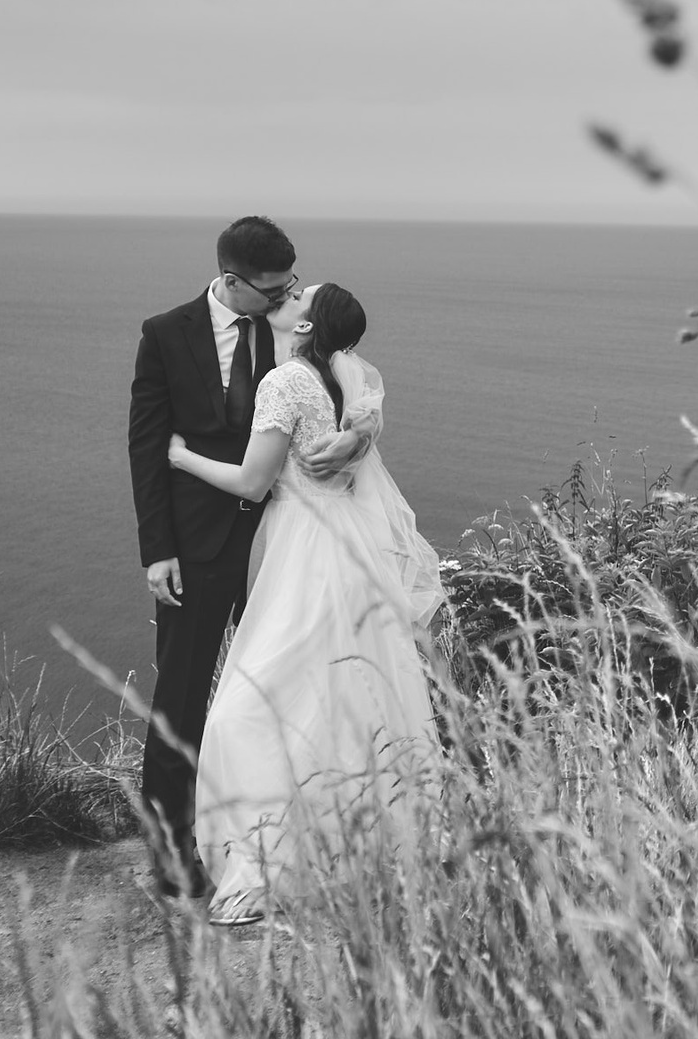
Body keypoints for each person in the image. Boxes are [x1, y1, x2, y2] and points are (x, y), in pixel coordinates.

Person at [166, 282, 442, 926]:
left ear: (308, 325)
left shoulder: (286, 380)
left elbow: (252, 482)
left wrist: (181, 457)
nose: (287, 297)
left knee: (250, 707)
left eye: (299, 297)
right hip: (350, 549)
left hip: (306, 552)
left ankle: (269, 867)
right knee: (342, 699)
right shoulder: (344, 383)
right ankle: (360, 846)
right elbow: (364, 426)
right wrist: (359, 437)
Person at [127, 217, 367, 897]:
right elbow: (147, 447)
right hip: (197, 549)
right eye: (273, 288)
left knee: (282, 693)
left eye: (291, 285)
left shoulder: (291, 331)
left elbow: (344, 389)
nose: (286, 295)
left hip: (282, 545)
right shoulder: (165, 334)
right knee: (181, 699)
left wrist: (361, 435)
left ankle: (270, 836)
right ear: (232, 280)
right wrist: (157, 552)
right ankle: (174, 855)